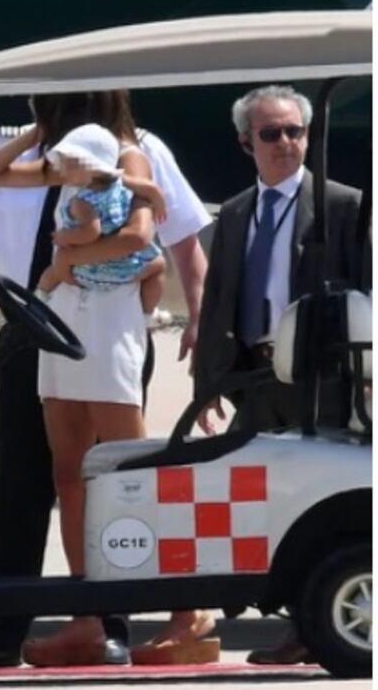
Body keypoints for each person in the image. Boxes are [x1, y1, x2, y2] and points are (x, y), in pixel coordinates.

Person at [0, 91, 212, 668]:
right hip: (31, 328)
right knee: (30, 480)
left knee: (122, 476)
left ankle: (138, 612)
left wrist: (200, 319)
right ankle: (19, 627)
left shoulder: (136, 151)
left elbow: (175, 240)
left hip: (106, 327)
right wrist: (33, 136)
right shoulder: (37, 155)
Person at [194, 84, 369, 664]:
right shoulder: (235, 211)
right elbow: (219, 297)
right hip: (253, 377)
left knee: (317, 502)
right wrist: (207, 380)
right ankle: (277, 613)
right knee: (253, 499)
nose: (286, 143)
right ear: (247, 142)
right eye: (272, 133)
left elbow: (366, 291)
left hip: (320, 378)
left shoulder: (343, 205)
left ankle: (308, 626)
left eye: (295, 131)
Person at [35, 123, 169, 315]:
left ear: (92, 167)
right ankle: (148, 312)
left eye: (68, 165)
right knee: (159, 265)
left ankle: (43, 295)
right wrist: (159, 204)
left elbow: (90, 233)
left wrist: (65, 236)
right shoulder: (123, 182)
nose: (62, 171)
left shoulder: (83, 201)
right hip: (126, 266)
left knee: (57, 265)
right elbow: (151, 188)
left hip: (91, 270)